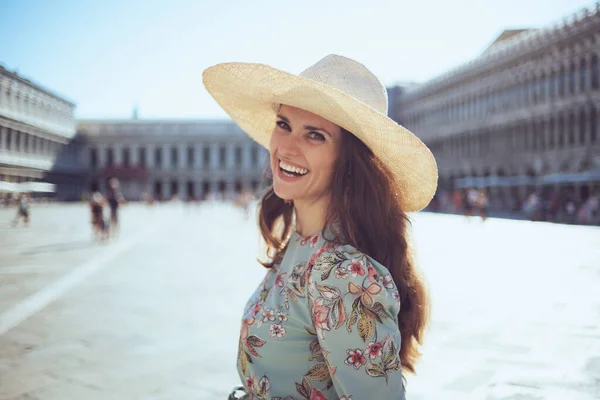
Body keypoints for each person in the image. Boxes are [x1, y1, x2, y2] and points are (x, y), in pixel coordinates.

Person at [203, 54, 437, 399]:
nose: (287, 147)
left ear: (349, 161)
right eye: (283, 124)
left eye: (315, 135)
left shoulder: (342, 273)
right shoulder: (300, 241)